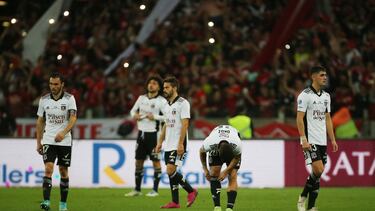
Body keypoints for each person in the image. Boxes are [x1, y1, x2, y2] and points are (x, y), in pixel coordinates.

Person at [296, 66, 338, 211]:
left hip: (322, 140)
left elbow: (327, 119)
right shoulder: (305, 95)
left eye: (325, 75)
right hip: (310, 139)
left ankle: (311, 207)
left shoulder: (326, 96)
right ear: (313, 77)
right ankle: (302, 198)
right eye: (321, 75)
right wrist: (303, 139)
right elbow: (299, 119)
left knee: (317, 174)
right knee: (318, 169)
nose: (325, 77)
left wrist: (332, 139)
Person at [36, 72, 77, 211]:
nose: (53, 87)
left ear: (62, 84)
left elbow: (73, 119)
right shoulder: (44, 100)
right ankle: (46, 202)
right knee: (48, 169)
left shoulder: (70, 99)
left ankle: (63, 204)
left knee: (63, 171)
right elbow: (40, 121)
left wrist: (63, 133)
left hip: (64, 140)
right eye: (51, 84)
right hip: (48, 139)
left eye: (56, 84)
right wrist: (38, 142)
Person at [155, 76, 198, 208]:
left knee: (170, 170)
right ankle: (175, 202)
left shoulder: (183, 103)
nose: (164, 90)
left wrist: (180, 144)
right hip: (168, 143)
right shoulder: (166, 105)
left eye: (167, 87)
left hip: (179, 142)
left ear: (175, 88)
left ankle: (191, 191)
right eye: (164, 88)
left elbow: (185, 124)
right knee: (171, 174)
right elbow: (165, 125)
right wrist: (159, 142)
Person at [125, 75, 166, 197]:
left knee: (156, 162)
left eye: (154, 83)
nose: (151, 85)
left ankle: (155, 190)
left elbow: (167, 117)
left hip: (154, 134)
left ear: (159, 87)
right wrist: (135, 115)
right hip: (141, 134)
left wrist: (155, 117)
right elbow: (132, 111)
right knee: (138, 162)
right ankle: (137, 190)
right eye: (150, 83)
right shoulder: (141, 98)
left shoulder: (162, 101)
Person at [199, 125, 242, 211]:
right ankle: (217, 207)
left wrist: (226, 171)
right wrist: (205, 169)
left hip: (232, 139)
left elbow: (237, 157)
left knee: (232, 175)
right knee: (214, 173)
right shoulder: (210, 143)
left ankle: (229, 208)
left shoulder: (237, 145)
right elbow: (201, 152)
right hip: (217, 137)